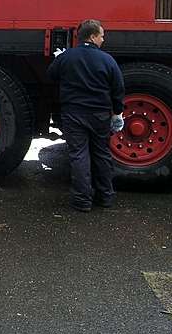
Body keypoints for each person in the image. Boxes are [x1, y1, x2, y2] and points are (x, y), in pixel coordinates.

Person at [47, 19, 125, 212]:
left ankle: (82, 201)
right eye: (101, 36)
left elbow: (51, 76)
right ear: (92, 36)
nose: (103, 39)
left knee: (79, 155)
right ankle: (105, 197)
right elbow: (118, 89)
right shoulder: (108, 60)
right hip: (99, 115)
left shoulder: (67, 57)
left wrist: (59, 60)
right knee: (102, 154)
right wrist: (116, 113)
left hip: (73, 114)